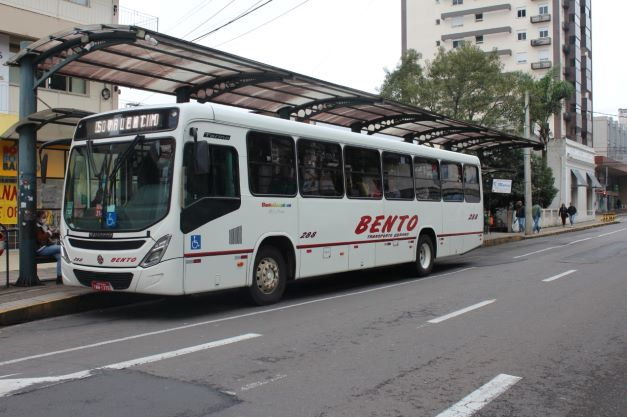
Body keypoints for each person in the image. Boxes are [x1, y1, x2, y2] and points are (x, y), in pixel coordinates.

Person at [36, 211, 62, 284]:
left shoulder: (43, 226)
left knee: (60, 257)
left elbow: (48, 236)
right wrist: (49, 232)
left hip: (48, 247)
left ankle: (59, 277)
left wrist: (54, 233)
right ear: (38, 218)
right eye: (43, 217)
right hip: (42, 249)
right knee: (62, 248)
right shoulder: (36, 227)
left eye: (45, 217)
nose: (45, 219)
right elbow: (41, 238)